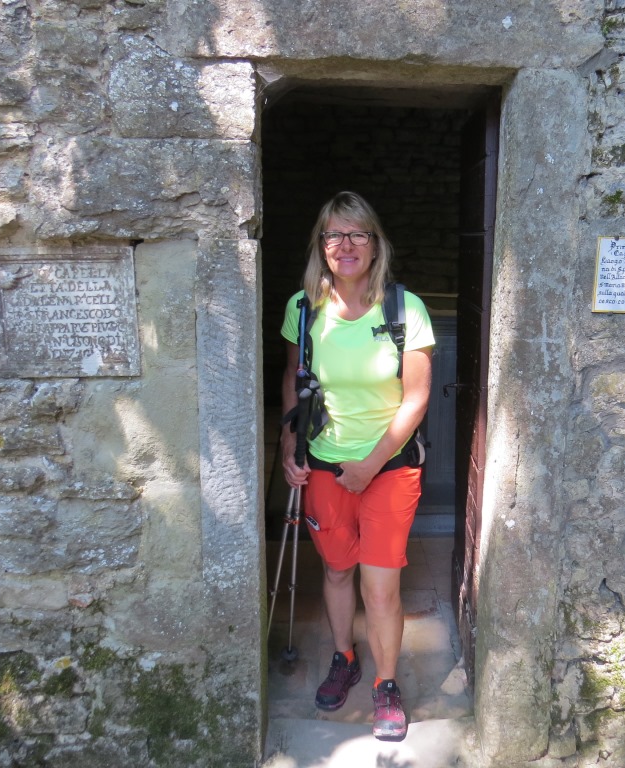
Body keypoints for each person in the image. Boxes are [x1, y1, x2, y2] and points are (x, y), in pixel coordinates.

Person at [279, 191, 434, 742]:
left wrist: (369, 464)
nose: (345, 245)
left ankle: (385, 684)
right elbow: (294, 379)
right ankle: (344, 657)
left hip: (388, 468)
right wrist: (289, 445)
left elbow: (416, 398)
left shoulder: (404, 309)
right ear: (321, 245)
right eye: (334, 235)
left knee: (381, 585)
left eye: (357, 234)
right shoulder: (303, 308)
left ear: (375, 243)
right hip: (324, 465)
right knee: (337, 569)